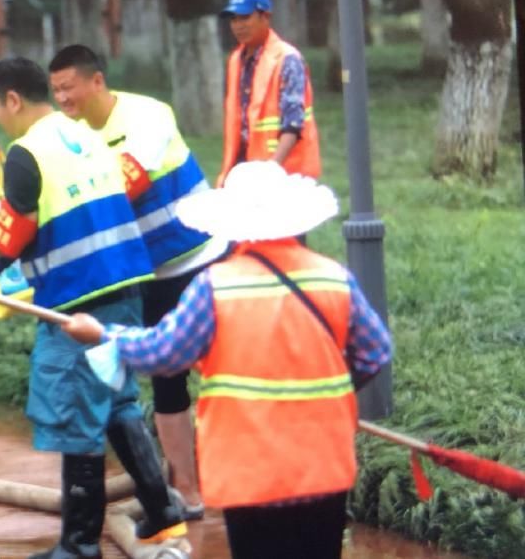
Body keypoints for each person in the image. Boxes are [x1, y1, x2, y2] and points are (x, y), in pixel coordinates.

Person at [61, 161, 393, 559]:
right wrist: (333, 389)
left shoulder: (215, 286)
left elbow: (163, 353)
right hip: (323, 465)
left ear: (232, 226)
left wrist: (102, 334)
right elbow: (375, 351)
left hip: (250, 471)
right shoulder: (333, 277)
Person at [0, 57, 187, 558]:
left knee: (76, 413)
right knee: (117, 400)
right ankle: (163, 514)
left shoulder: (26, 152)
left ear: (14, 100)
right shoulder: (86, 134)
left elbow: (18, 223)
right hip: (127, 285)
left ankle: (79, 546)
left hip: (78, 300)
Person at [48, 44, 230, 518]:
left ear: (97, 81)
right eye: (55, 92)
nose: (63, 99)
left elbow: (128, 183)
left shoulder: (147, 116)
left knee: (227, 371)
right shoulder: (67, 136)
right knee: (166, 381)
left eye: (68, 87)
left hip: (200, 258)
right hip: (145, 272)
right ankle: (187, 493)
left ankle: (244, 480)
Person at [216, 0, 321, 188]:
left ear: (265, 17)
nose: (238, 26)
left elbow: (294, 121)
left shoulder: (287, 59)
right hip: (245, 170)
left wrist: (272, 169)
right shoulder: (236, 60)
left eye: (245, 18)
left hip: (286, 172)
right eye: (233, 19)